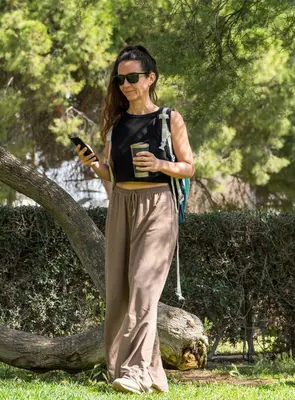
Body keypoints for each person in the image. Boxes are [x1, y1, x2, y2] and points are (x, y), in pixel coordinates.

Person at [75, 45, 194, 394]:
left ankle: (137, 372)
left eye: (132, 78)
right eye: (120, 79)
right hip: (122, 204)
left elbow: (188, 166)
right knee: (120, 293)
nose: (125, 84)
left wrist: (159, 164)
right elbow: (110, 178)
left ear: (150, 78)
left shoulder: (169, 118)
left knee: (143, 288)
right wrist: (95, 165)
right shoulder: (116, 124)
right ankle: (143, 373)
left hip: (158, 205)